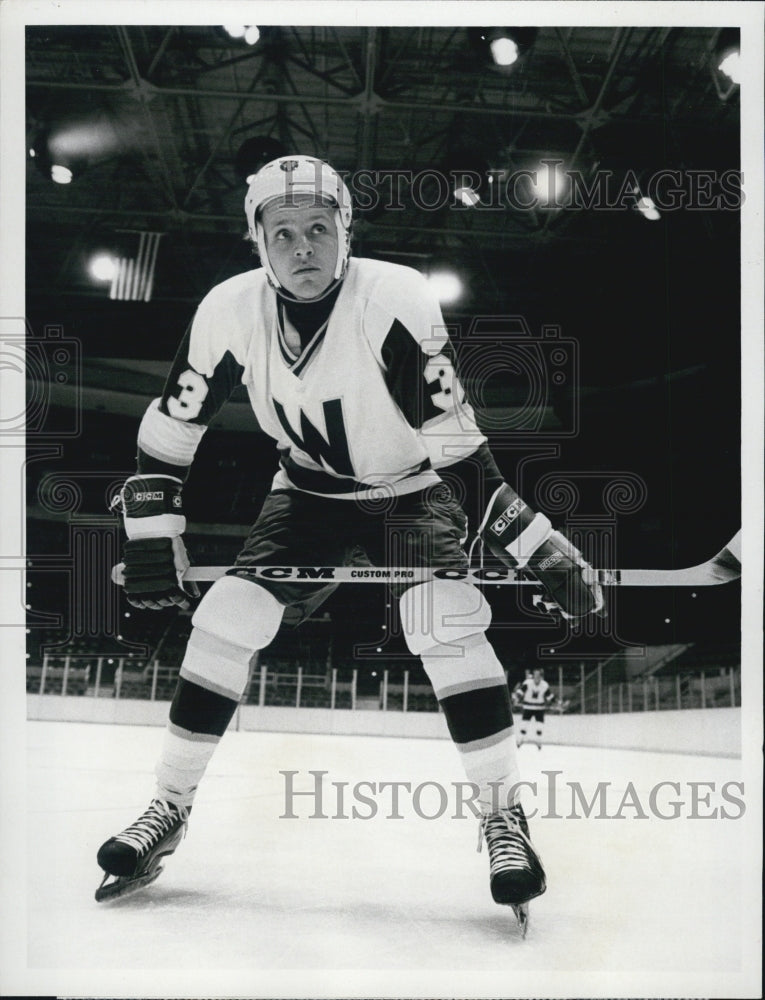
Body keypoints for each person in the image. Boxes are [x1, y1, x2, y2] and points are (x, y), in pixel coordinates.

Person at [96, 155, 603, 925]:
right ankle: (167, 807)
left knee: (445, 620)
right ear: (257, 241)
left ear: (346, 232)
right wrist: (151, 528)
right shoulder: (228, 310)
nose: (304, 249)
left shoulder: (392, 296)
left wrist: (532, 541)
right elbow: (170, 430)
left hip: (412, 489)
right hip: (306, 491)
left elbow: (455, 448)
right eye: (285, 233)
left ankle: (504, 819)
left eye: (320, 230)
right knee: (228, 617)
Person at [514, 668, 556, 749]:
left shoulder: (544, 685)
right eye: (535, 675)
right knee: (524, 726)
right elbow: (521, 691)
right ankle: (520, 741)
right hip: (528, 707)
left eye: (538, 675)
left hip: (539, 708)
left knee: (539, 727)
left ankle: (539, 742)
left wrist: (556, 702)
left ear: (541, 676)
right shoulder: (528, 683)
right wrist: (516, 697)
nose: (536, 677)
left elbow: (549, 696)